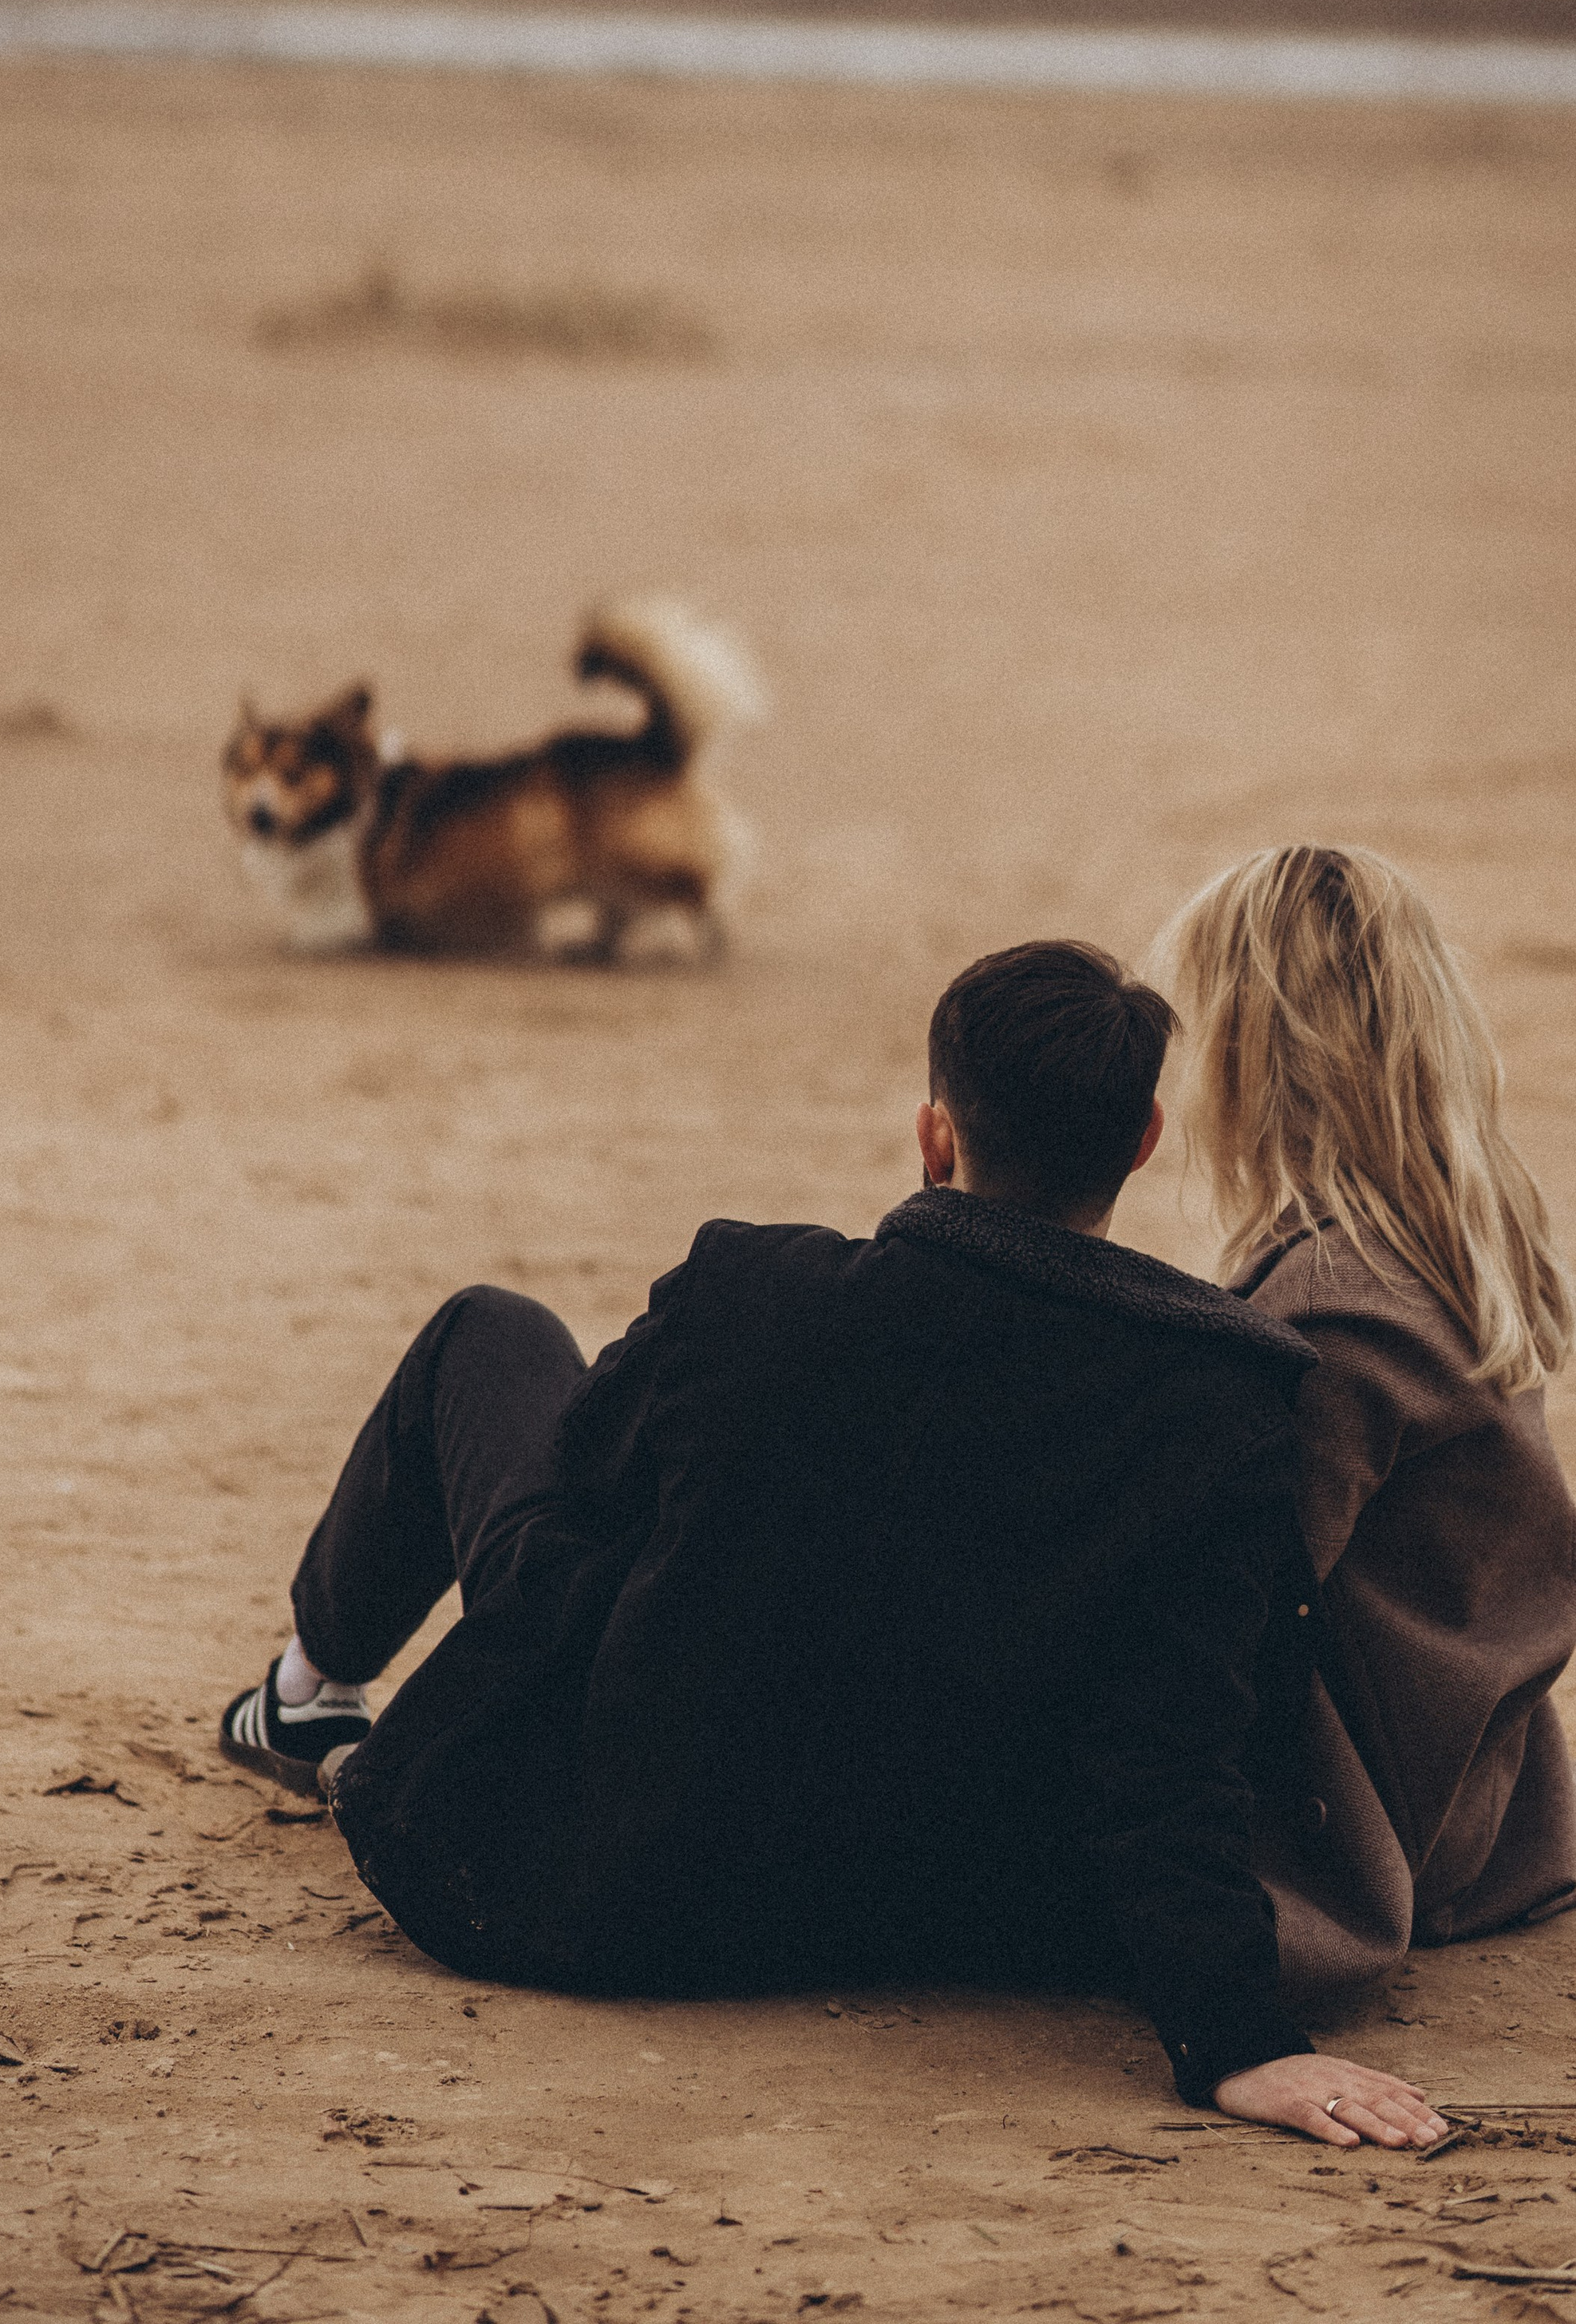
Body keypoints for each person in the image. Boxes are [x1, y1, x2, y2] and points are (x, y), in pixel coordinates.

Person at [221, 939, 1440, 2146]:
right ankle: (314, 1689)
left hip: (618, 1887)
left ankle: (309, 1688)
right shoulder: (1220, 1405)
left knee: (490, 1333)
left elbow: (586, 1484)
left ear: (935, 1136)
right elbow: (1170, 1746)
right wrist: (1237, 2038)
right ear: (1141, 1143)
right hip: (941, 1916)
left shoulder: (751, 1289)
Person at [1154, 844, 1576, 2003]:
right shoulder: (1448, 1249)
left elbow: (1221, 1618)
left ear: (1249, 1051)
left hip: (1381, 1836)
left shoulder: (1334, 1319)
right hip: (1493, 1810)